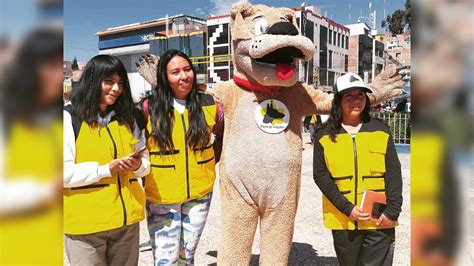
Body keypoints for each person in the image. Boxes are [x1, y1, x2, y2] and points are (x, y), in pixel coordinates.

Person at [63, 54, 150, 265]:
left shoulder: (130, 118)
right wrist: (105, 169)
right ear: (92, 81)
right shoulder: (68, 118)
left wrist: (138, 165)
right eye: (109, 81)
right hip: (85, 227)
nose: (116, 89)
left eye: (120, 83)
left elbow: (146, 163)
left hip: (126, 222)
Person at [143, 49, 223, 265]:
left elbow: (221, 141)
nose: (183, 76)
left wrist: (205, 166)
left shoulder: (209, 104)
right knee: (165, 259)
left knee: (187, 255)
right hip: (162, 196)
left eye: (187, 69)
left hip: (199, 193)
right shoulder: (148, 107)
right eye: (175, 72)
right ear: (164, 77)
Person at [313, 73, 403, 266]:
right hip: (343, 217)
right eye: (349, 96)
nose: (356, 101)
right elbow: (320, 176)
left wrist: (393, 211)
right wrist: (348, 209)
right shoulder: (324, 135)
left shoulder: (381, 130)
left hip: (379, 217)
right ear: (338, 101)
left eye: (360, 96)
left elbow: (393, 172)